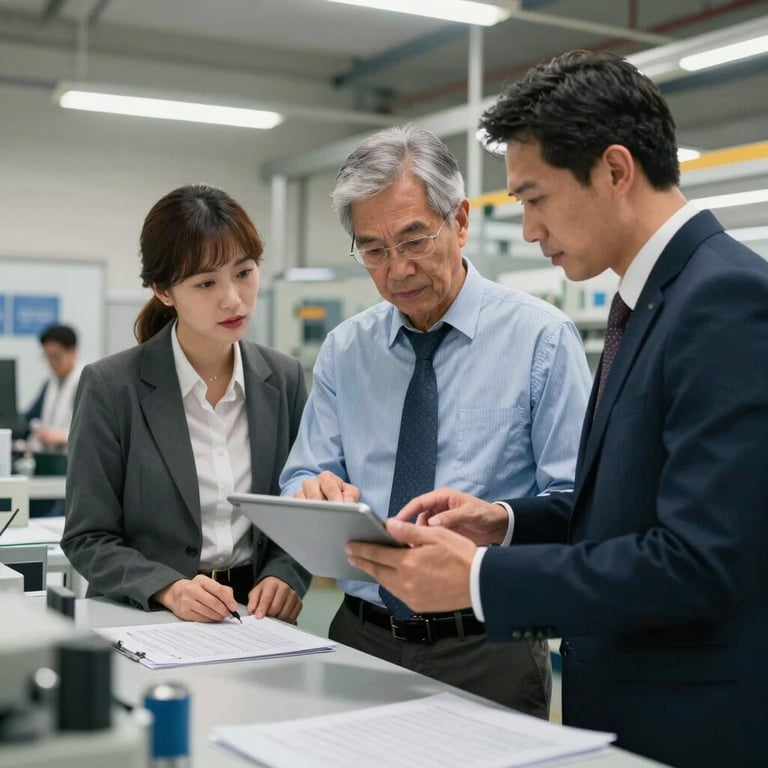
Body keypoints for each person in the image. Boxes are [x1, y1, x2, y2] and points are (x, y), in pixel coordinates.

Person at [345, 52, 768, 768]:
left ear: (613, 170)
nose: (530, 229)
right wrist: (505, 524)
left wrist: (480, 580)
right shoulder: (648, 301)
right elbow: (631, 510)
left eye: (535, 198)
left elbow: (699, 561)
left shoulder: (724, 300)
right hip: (630, 708)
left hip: (693, 725)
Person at [280, 125, 592, 716]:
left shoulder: (539, 340)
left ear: (461, 221)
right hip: (360, 636)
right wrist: (311, 490)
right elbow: (302, 472)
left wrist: (498, 520)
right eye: (374, 250)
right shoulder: (347, 351)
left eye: (414, 239)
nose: (398, 270)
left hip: (486, 645)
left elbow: (578, 499)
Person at [62, 184, 311, 623]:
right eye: (206, 283)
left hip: (254, 619)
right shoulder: (112, 387)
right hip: (147, 616)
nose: (233, 298)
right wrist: (167, 588)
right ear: (163, 291)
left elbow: (300, 511)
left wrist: (286, 573)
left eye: (245, 272)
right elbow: (88, 537)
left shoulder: (283, 379)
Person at [24, 324, 82, 447]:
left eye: (56, 357)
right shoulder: (50, 383)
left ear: (73, 352)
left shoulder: (86, 382)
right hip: (49, 454)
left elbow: (91, 431)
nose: (51, 363)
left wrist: (61, 436)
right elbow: (30, 417)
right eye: (47, 357)